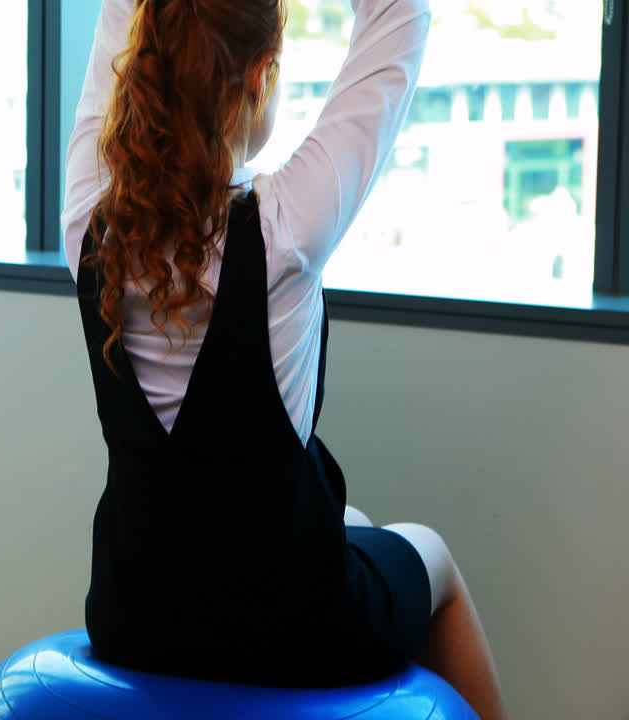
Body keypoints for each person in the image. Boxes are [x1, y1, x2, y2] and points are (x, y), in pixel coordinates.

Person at [60, 1, 507, 718]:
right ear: (260, 78)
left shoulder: (87, 219)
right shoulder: (284, 231)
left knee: (353, 519)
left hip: (133, 615)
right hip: (290, 630)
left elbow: (117, 15)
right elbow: (401, 14)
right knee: (432, 554)